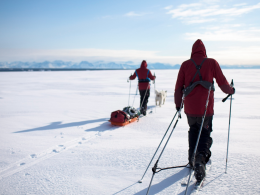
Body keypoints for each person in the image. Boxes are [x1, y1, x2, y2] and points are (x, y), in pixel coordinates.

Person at [174, 39, 235, 182]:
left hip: (190, 108)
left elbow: (178, 88)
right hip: (206, 109)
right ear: (204, 51)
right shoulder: (211, 63)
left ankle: (192, 159)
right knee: (205, 133)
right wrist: (231, 90)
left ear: (192, 51)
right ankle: (200, 160)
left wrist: (178, 106)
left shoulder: (185, 65)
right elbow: (222, 83)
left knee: (193, 130)